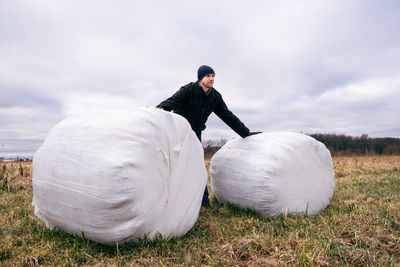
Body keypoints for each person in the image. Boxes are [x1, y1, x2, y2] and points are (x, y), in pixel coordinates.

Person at [157, 65, 260, 207]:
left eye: (213, 76)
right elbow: (171, 103)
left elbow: (227, 115)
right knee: (174, 164)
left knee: (198, 167)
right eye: (208, 76)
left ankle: (204, 202)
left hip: (195, 134)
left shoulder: (215, 97)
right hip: (178, 131)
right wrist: (158, 112)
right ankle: (168, 200)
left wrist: (245, 132)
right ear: (200, 78)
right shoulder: (188, 90)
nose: (211, 79)